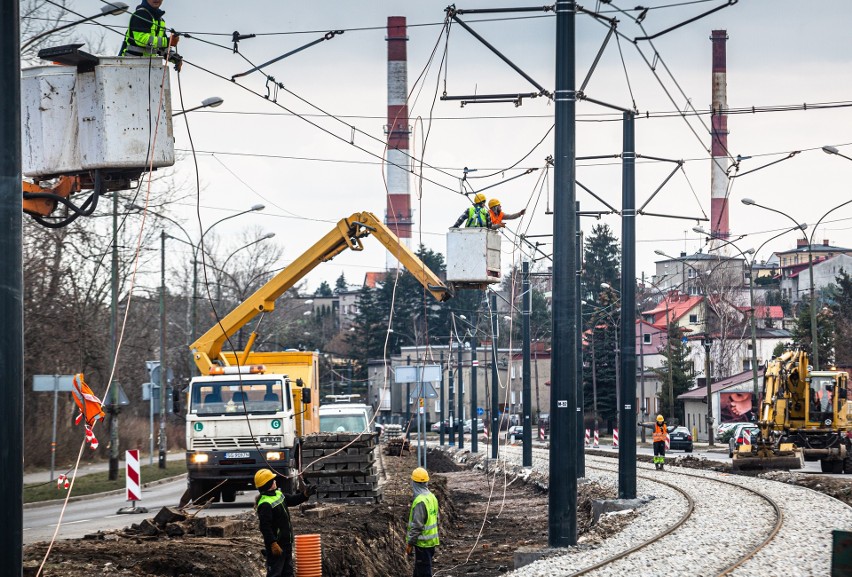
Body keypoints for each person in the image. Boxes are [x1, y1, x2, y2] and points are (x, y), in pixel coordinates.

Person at [254, 468, 317, 577]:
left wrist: (305, 495)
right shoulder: (265, 504)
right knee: (275, 573)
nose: (275, 481)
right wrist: (273, 543)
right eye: (272, 480)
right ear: (268, 484)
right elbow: (265, 527)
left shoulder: (278, 494)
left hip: (286, 542)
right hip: (277, 546)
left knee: (288, 573)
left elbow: (292, 500)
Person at [119, 0, 182, 69]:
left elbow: (161, 47)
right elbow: (141, 39)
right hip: (129, 64)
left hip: (148, 66)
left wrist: (175, 57)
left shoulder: (160, 20)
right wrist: (168, 41)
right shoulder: (140, 14)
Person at [406, 467, 440, 577]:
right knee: (419, 571)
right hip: (431, 542)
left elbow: (417, 526)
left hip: (422, 544)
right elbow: (436, 518)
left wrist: (410, 543)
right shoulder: (432, 497)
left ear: (414, 483)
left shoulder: (420, 501)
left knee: (424, 573)